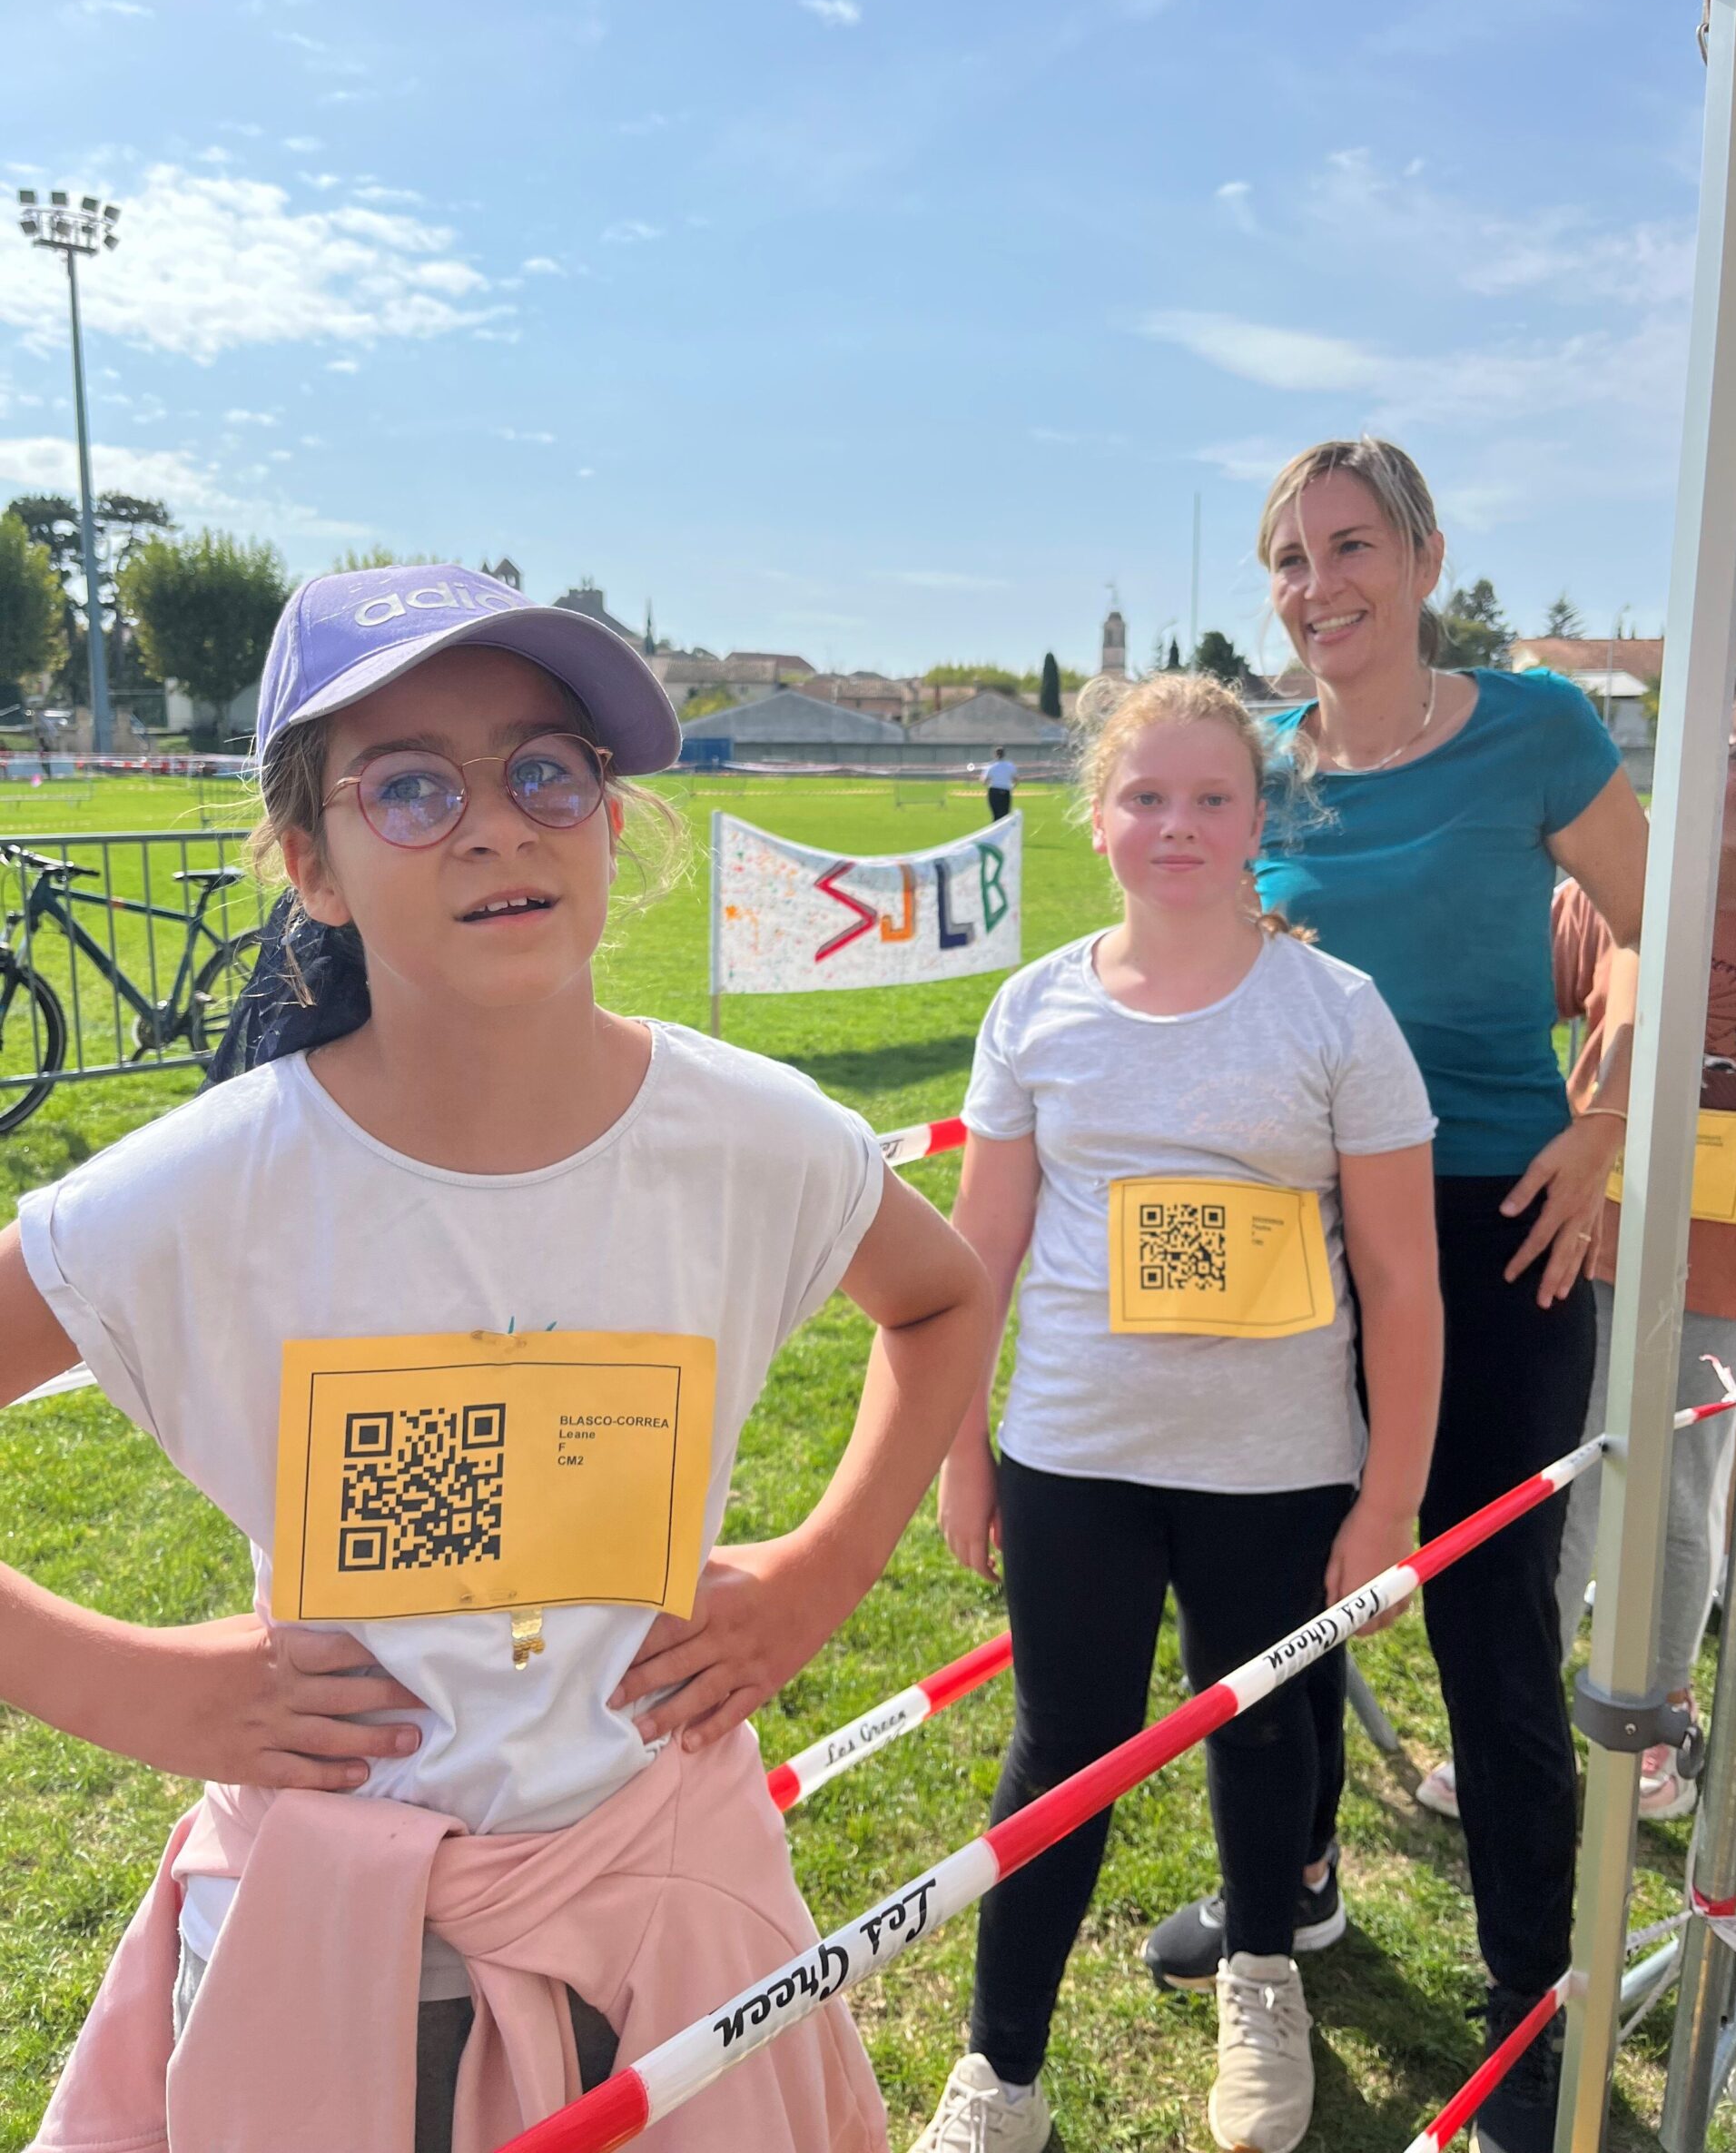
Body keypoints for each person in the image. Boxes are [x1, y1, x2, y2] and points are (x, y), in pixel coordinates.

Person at [0, 563, 997, 2153]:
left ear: (608, 816)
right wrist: (131, 1689)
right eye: (410, 787)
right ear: (311, 866)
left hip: (666, 1924)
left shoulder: (749, 1138)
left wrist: (819, 1573)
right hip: (327, 1966)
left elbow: (941, 1299)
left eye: (545, 769)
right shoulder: (211, 1184)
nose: (495, 827)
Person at [1139, 440, 1648, 2153]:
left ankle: (1529, 2005)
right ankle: (1289, 1895)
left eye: (1351, 546)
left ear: (1427, 558)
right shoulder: (1262, 773)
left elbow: (1654, 925)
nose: (1317, 586)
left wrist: (1604, 1122)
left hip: (1498, 1219)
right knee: (1272, 1590)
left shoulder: (1537, 730)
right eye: (1289, 560)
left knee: (1489, 1629)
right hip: (1297, 1231)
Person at [912, 671, 1442, 2153]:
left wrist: (1390, 1499)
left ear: (1261, 820)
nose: (1179, 825)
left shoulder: (1337, 1015)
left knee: (1261, 1728)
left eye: (1214, 797)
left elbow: (1403, 1280)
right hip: (1075, 1453)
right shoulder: (1035, 1010)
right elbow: (978, 1256)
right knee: (1062, 1748)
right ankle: (999, 2072)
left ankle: (1265, 1972)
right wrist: (964, 1454)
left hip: (1276, 1467)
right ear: (1098, 819)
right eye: (1146, 796)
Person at [1415, 847, 1736, 1829]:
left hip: (1723, 1269)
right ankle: (1514, 1717)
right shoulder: (1621, 889)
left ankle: (1659, 1714)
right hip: (1583, 1239)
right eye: (1725, 765)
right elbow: (1507, 1000)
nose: (1734, 780)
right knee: (1558, 1481)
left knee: (1679, 1488)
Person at [981, 747, 1018, 821]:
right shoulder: (1010, 766)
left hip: (994, 791)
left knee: (996, 815)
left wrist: (988, 784)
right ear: (1004, 754)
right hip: (1005, 791)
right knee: (1005, 815)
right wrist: (1011, 787)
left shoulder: (991, 766)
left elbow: (984, 781)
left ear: (995, 755)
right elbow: (1016, 780)